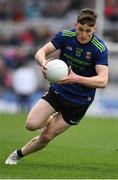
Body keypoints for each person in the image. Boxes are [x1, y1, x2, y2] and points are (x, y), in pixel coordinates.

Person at [5, 8, 109, 165]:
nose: (83, 34)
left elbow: (103, 80)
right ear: (76, 25)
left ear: (94, 29)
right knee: (31, 125)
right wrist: (43, 63)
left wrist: (76, 78)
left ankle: (17, 155)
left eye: (88, 31)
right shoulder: (65, 36)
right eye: (80, 29)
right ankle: (51, 117)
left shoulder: (99, 48)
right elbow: (41, 52)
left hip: (79, 101)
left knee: (46, 136)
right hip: (59, 90)